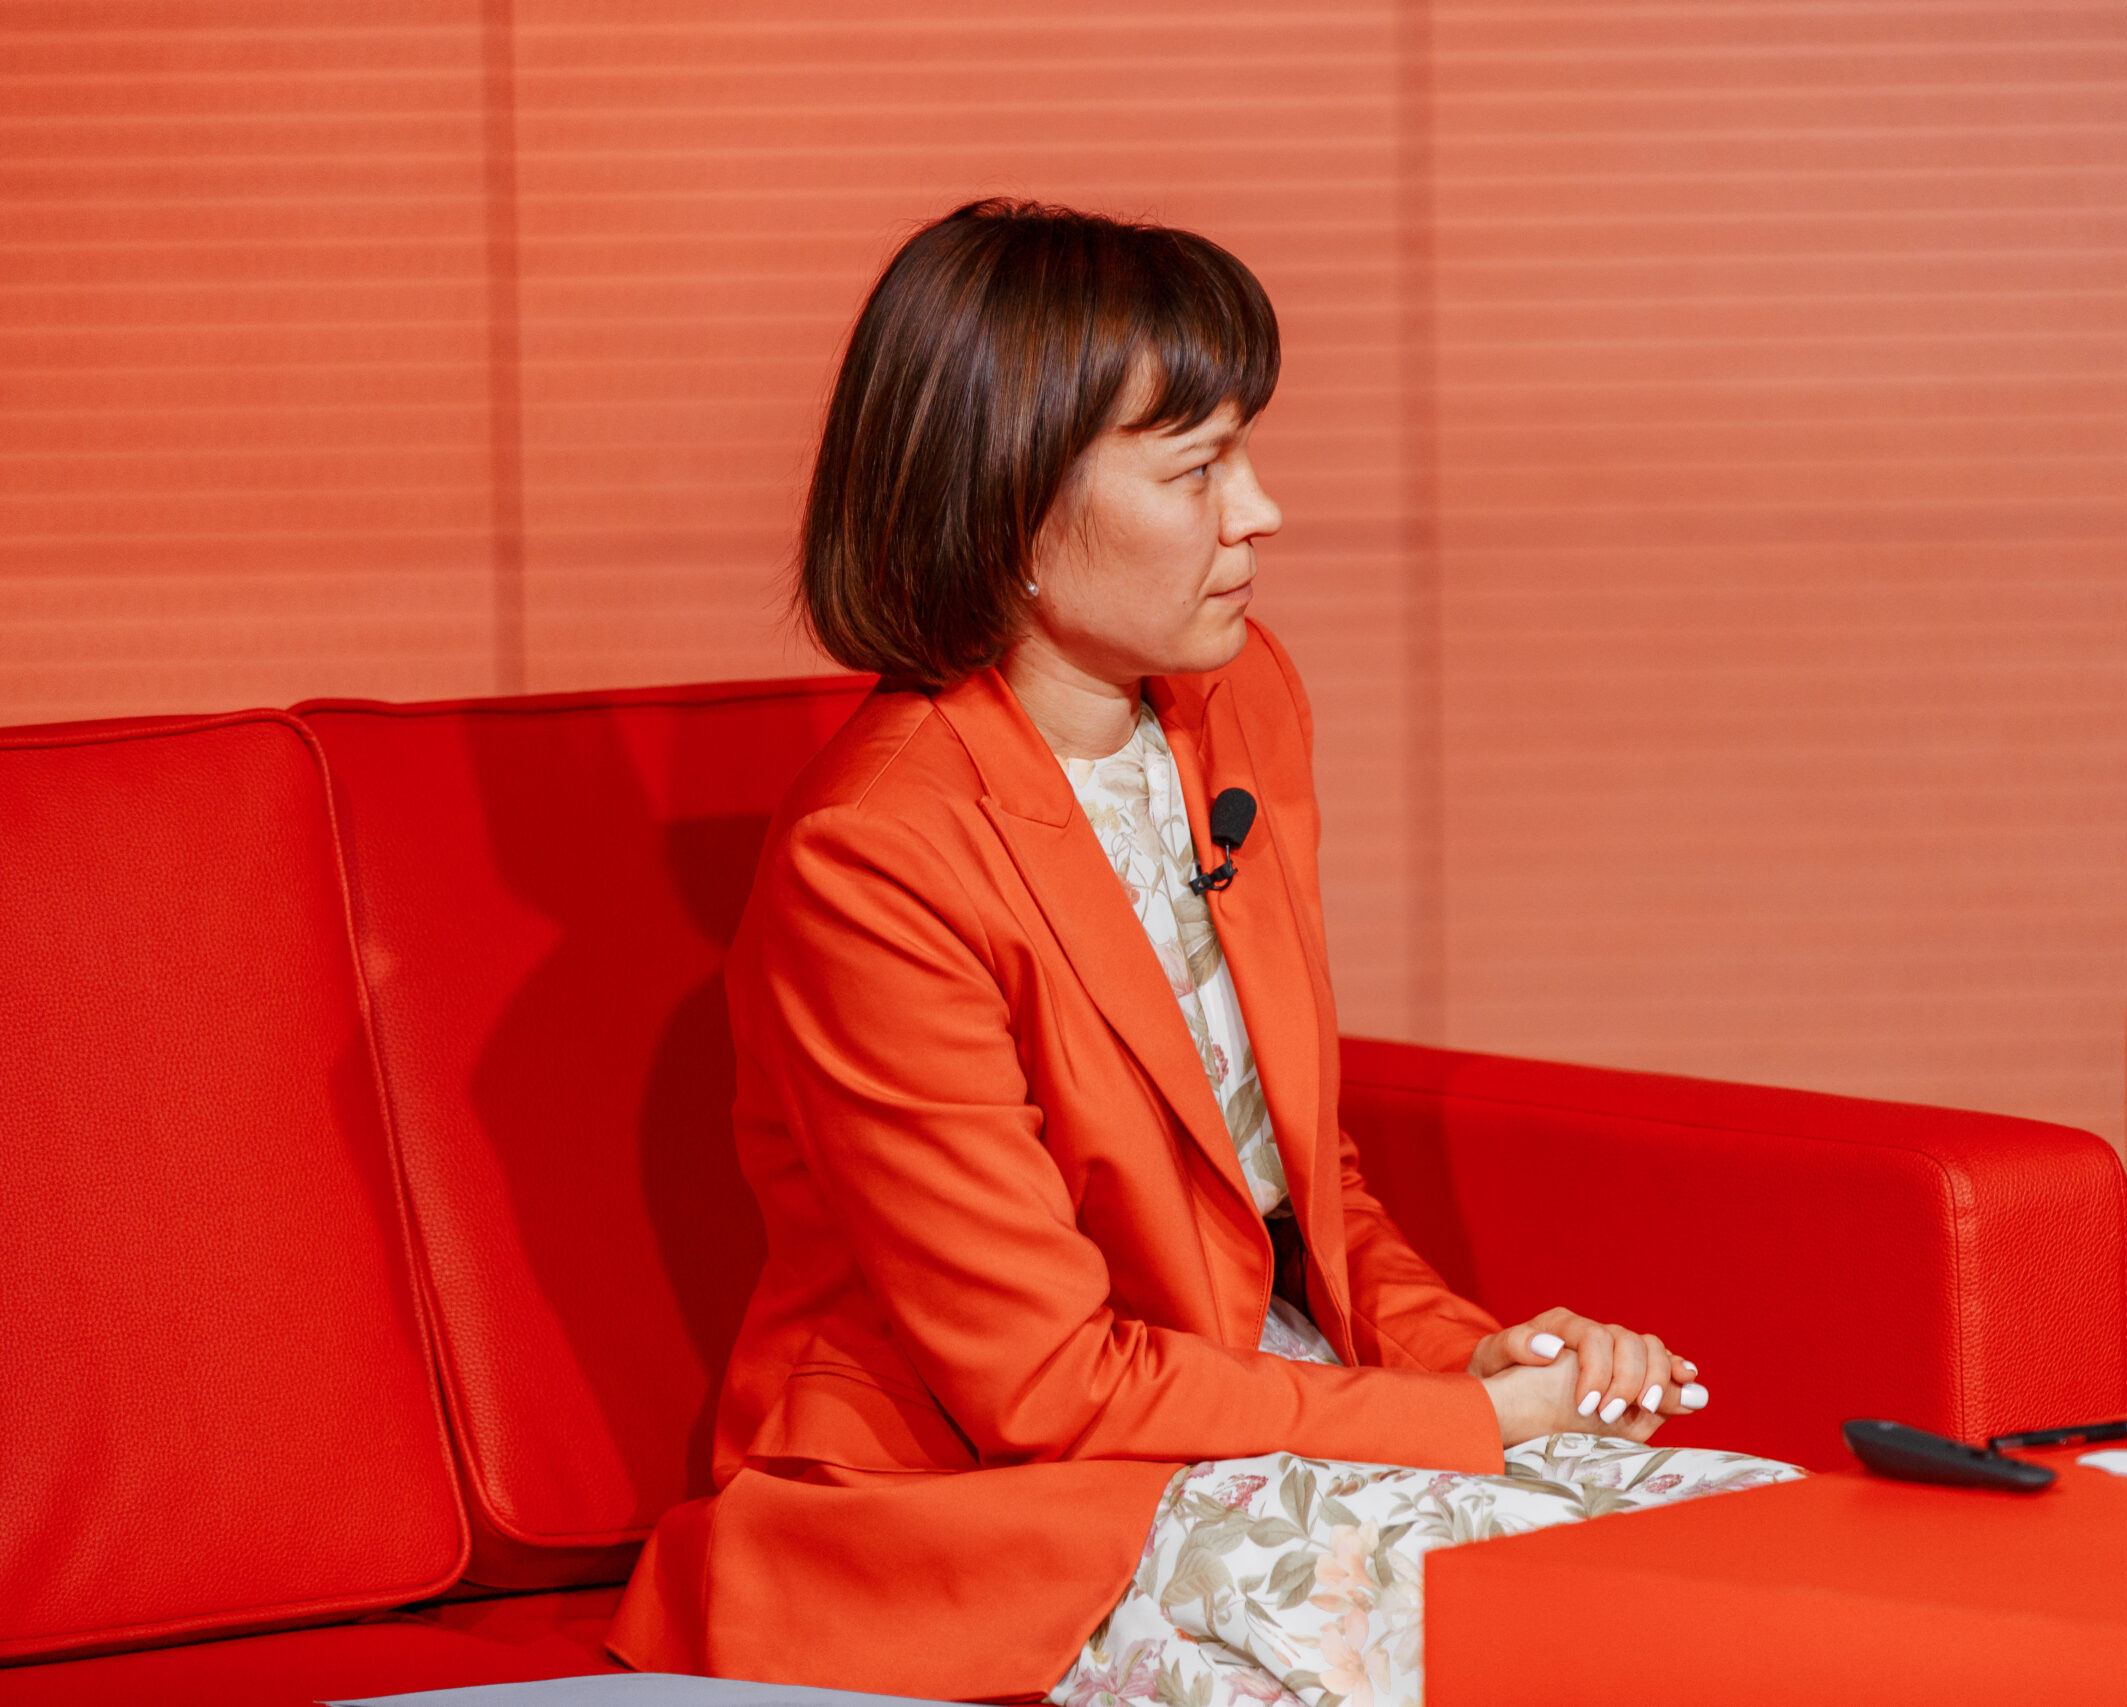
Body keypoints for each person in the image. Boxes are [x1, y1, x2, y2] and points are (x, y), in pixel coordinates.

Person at [605, 199, 1798, 1706]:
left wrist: (1474, 1361)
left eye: (1248, 453)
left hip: (1257, 1408)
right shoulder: (877, 854)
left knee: (1767, 1553)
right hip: (1000, 1489)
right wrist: (1470, 1430)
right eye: (1196, 470)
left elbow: (1302, 1187)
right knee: (1530, 1642)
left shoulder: (1238, 704)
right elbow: (1042, 1383)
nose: (1261, 512)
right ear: (1009, 513)